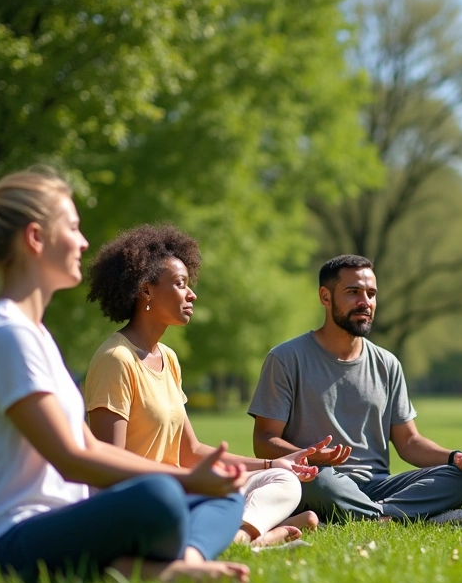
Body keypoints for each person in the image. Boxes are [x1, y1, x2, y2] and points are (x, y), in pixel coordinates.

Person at [0, 168, 250, 583]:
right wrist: (185, 478)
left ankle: (180, 562)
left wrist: (199, 482)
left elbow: (87, 443)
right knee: (160, 495)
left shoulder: (35, 334)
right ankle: (149, 567)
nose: (84, 242)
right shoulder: (5, 333)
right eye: (72, 227)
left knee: (225, 497)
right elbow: (72, 458)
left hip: (60, 524)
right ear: (36, 238)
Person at [83, 224, 321, 548]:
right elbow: (108, 467)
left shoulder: (168, 358)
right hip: (148, 499)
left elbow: (191, 451)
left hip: (185, 489)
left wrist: (272, 463)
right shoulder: (116, 360)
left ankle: (240, 536)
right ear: (146, 291)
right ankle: (249, 538)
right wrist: (187, 483)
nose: (192, 294)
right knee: (214, 499)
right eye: (180, 284)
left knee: (283, 480)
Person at [248, 255, 462, 525]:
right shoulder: (285, 358)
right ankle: (402, 516)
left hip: (379, 486)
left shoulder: (387, 363)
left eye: (371, 294)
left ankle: (378, 516)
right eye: (353, 292)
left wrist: (455, 458)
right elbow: (264, 441)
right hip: (321, 479)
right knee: (317, 480)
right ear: (325, 297)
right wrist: (308, 456)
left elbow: (409, 442)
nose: (365, 302)